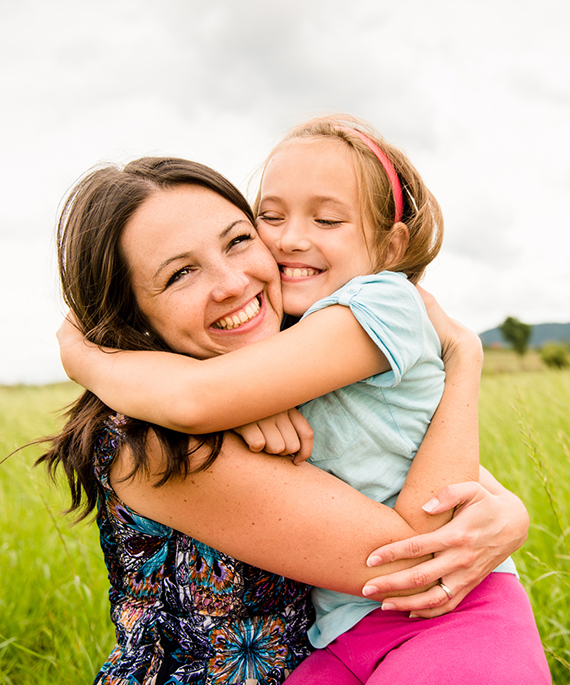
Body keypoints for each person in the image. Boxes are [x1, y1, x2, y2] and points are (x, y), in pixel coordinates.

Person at [51, 154, 543, 685]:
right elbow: (414, 563)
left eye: (238, 240)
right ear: (131, 316)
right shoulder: (152, 441)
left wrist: (509, 515)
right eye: (180, 273)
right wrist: (464, 355)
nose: (232, 283)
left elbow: (420, 468)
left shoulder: (293, 368)